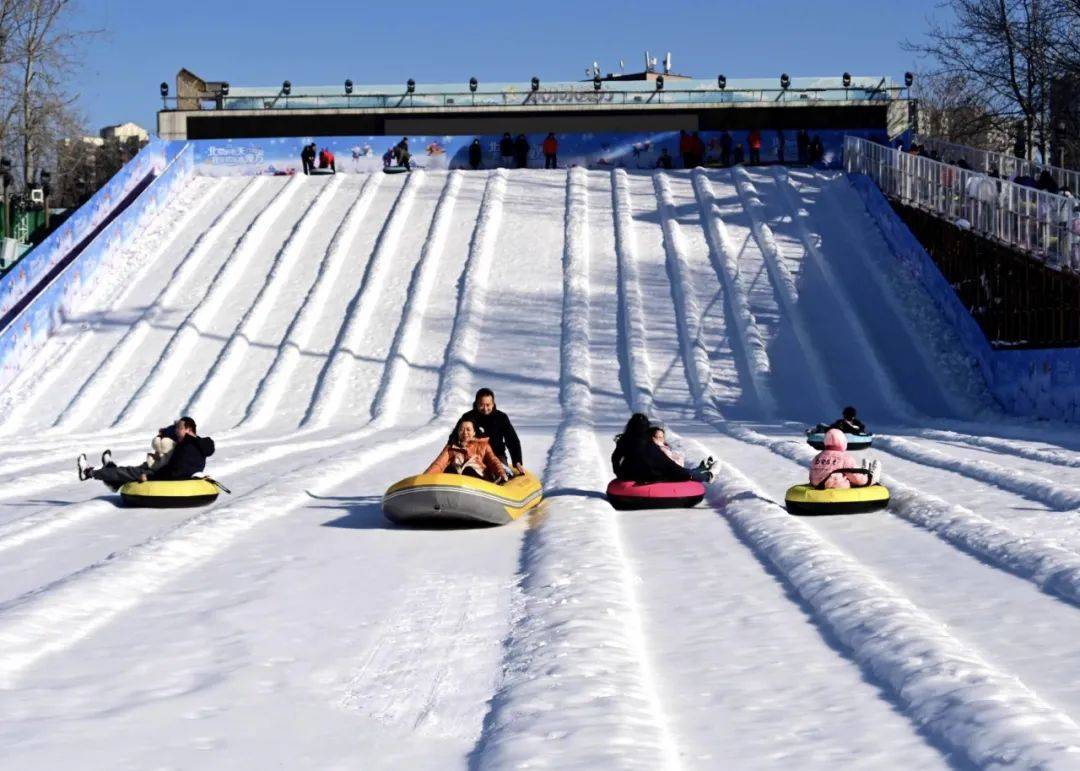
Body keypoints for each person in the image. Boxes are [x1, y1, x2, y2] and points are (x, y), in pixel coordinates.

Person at [77, 416, 215, 491]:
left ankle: (89, 473)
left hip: (158, 473)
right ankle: (110, 470)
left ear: (188, 429)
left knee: (126, 472)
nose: (176, 431)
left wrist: (151, 477)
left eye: (179, 428)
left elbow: (175, 470)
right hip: (161, 468)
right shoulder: (200, 442)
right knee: (128, 471)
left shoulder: (186, 447)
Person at [611, 414, 712, 484]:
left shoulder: (624, 440)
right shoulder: (647, 443)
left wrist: (619, 474)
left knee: (680, 471)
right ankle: (706, 476)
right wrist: (680, 471)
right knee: (681, 473)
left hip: (629, 474)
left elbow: (615, 458)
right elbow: (664, 461)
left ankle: (699, 471)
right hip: (649, 476)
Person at [450, 388, 524, 474]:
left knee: (500, 473)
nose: (485, 408)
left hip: (497, 455)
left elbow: (512, 440)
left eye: (488, 405)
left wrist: (517, 461)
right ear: (476, 404)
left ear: (493, 404)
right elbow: (455, 435)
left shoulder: (501, 418)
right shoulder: (468, 417)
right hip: (473, 455)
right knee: (463, 470)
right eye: (481, 405)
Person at [426, 417, 508, 482]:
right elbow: (439, 464)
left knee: (469, 469)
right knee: (450, 469)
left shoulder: (483, 445)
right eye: (461, 429)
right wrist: (424, 479)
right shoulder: (451, 447)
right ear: (458, 432)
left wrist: (501, 474)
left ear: (474, 432)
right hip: (456, 481)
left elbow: (493, 460)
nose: (465, 433)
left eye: (468, 429)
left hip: (479, 479)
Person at [809, 428, 880, 489]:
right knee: (855, 477)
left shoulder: (817, 457)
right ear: (843, 442)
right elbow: (856, 478)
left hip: (818, 488)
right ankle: (871, 476)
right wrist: (869, 481)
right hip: (838, 488)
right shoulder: (845, 458)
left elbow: (811, 475)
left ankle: (863, 471)